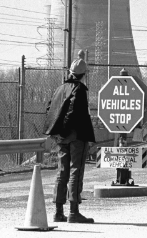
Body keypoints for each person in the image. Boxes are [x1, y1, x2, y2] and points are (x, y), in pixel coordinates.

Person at [43, 50, 96, 224]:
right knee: (76, 170)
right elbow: (74, 112)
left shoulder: (60, 88)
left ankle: (58, 211)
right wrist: (69, 130)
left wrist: (58, 132)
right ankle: (74, 211)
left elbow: (49, 110)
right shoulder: (79, 89)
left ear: (70, 73)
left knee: (62, 171)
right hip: (75, 136)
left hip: (60, 137)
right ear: (83, 75)